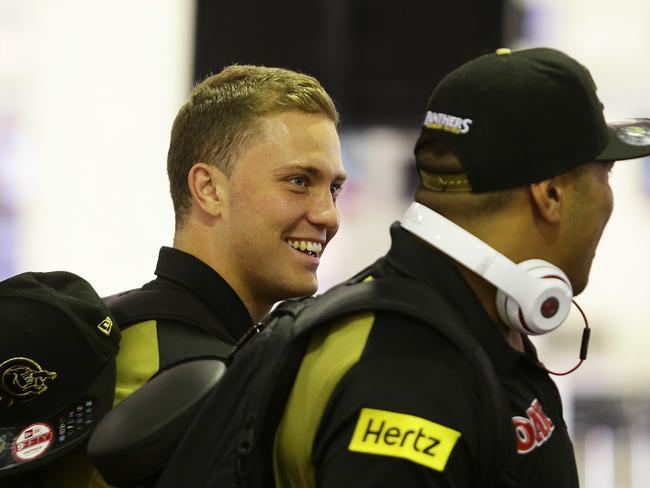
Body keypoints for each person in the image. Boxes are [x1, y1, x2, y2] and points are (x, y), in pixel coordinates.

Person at [158, 47, 650, 487]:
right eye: (603, 173)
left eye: (331, 188)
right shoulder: (404, 373)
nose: (328, 215)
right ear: (551, 195)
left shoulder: (469, 326)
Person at [57, 65, 345, 487]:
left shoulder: (122, 329)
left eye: (333, 188)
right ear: (208, 189)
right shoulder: (180, 378)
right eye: (299, 181)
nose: (328, 215)